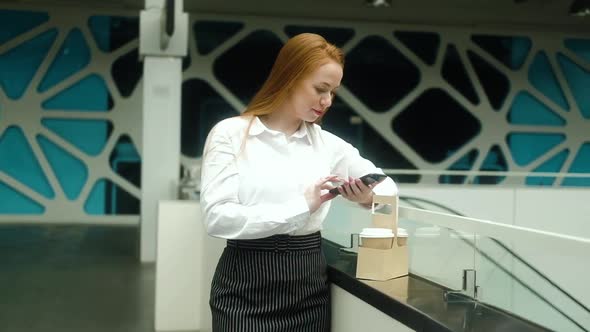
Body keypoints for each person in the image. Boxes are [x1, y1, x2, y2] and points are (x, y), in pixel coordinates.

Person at [200, 33, 398, 332]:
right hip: (244, 286)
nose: (327, 101)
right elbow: (216, 219)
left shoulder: (330, 145)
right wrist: (302, 206)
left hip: (308, 287)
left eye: (333, 92)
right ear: (289, 76)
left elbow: (387, 186)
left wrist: (366, 198)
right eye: (321, 89)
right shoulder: (230, 134)